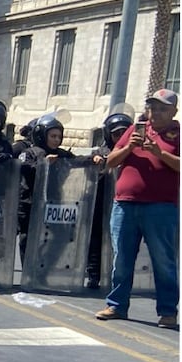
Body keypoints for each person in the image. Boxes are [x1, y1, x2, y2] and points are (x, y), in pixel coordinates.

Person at [95, 89, 180, 328]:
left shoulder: (178, 134)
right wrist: (128, 148)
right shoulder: (135, 129)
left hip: (161, 207)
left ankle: (167, 311)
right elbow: (110, 162)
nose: (156, 113)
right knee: (121, 258)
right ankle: (116, 305)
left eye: (162, 108)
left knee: (163, 260)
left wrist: (159, 153)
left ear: (173, 111)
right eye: (152, 108)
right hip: (125, 204)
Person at [16, 113, 76, 262]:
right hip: (30, 204)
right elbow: (25, 167)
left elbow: (79, 161)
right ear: (42, 135)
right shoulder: (29, 152)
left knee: (61, 235)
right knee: (28, 239)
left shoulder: (61, 154)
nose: (56, 140)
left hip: (53, 203)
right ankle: (28, 272)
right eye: (53, 136)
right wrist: (44, 164)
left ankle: (45, 267)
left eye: (59, 136)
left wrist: (94, 159)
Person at [86, 111, 134, 289]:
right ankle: (93, 274)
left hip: (125, 202)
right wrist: (95, 162)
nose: (120, 137)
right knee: (96, 238)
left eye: (124, 132)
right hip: (100, 201)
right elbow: (89, 174)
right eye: (116, 134)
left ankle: (117, 277)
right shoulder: (101, 152)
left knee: (122, 241)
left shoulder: (135, 151)